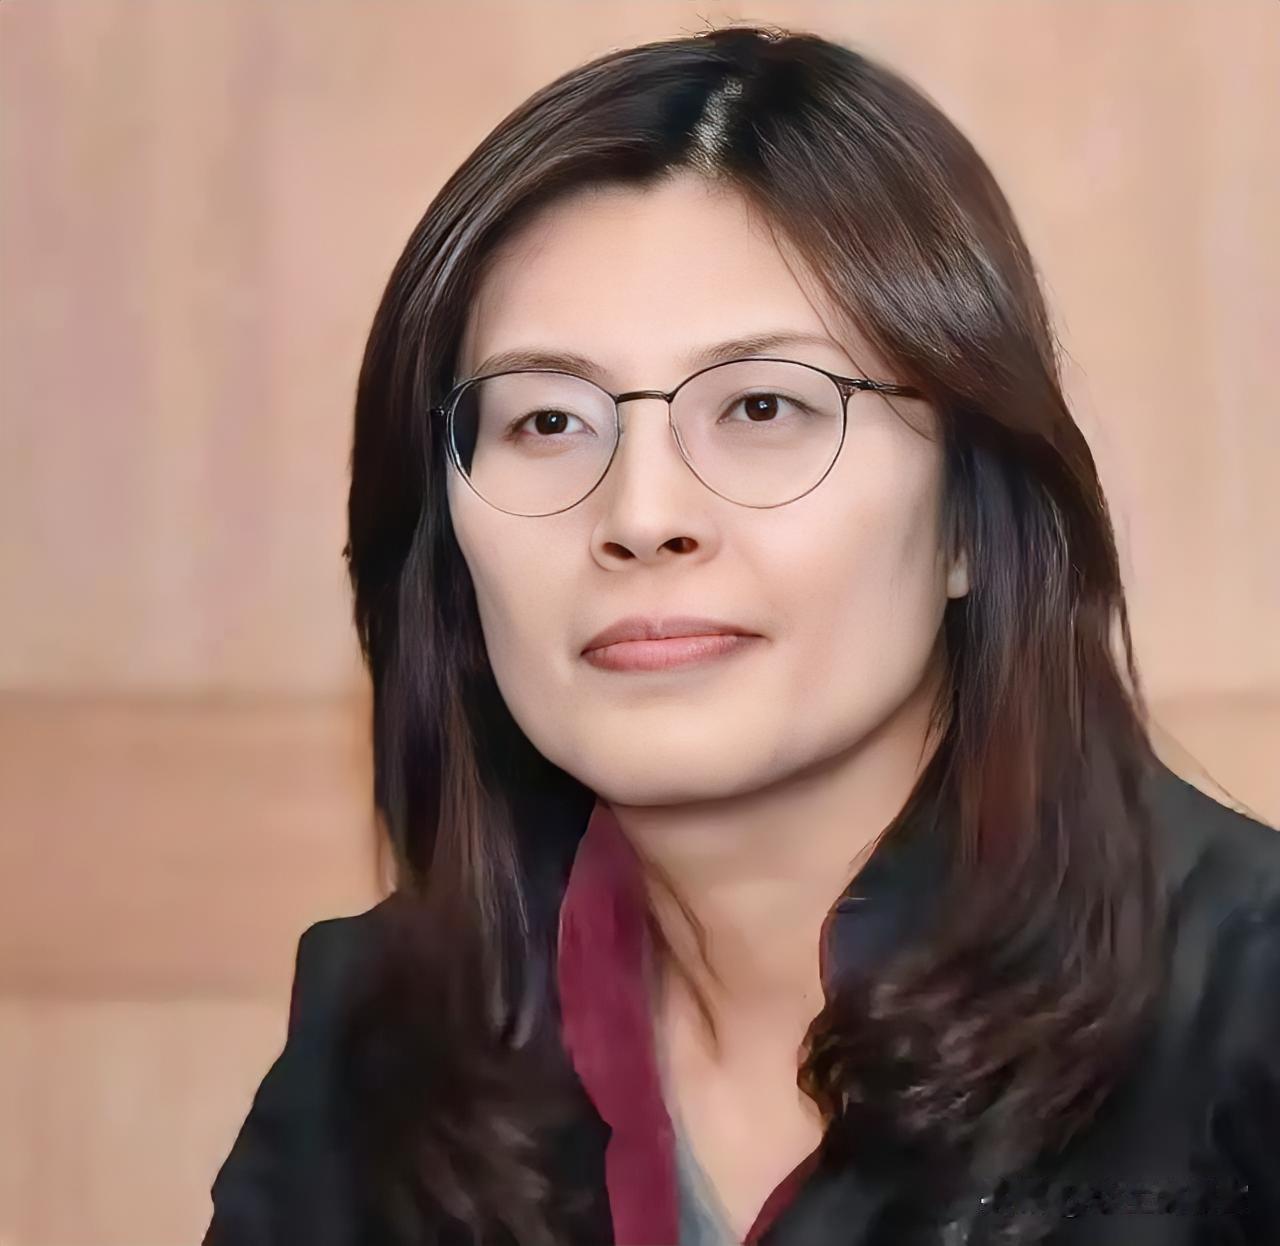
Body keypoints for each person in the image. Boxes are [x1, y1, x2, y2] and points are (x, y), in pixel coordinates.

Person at [203, 23, 1280, 1246]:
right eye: (547, 423)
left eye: (763, 406)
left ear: (969, 521)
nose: (641, 516)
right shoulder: (379, 1047)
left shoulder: (1246, 1018)